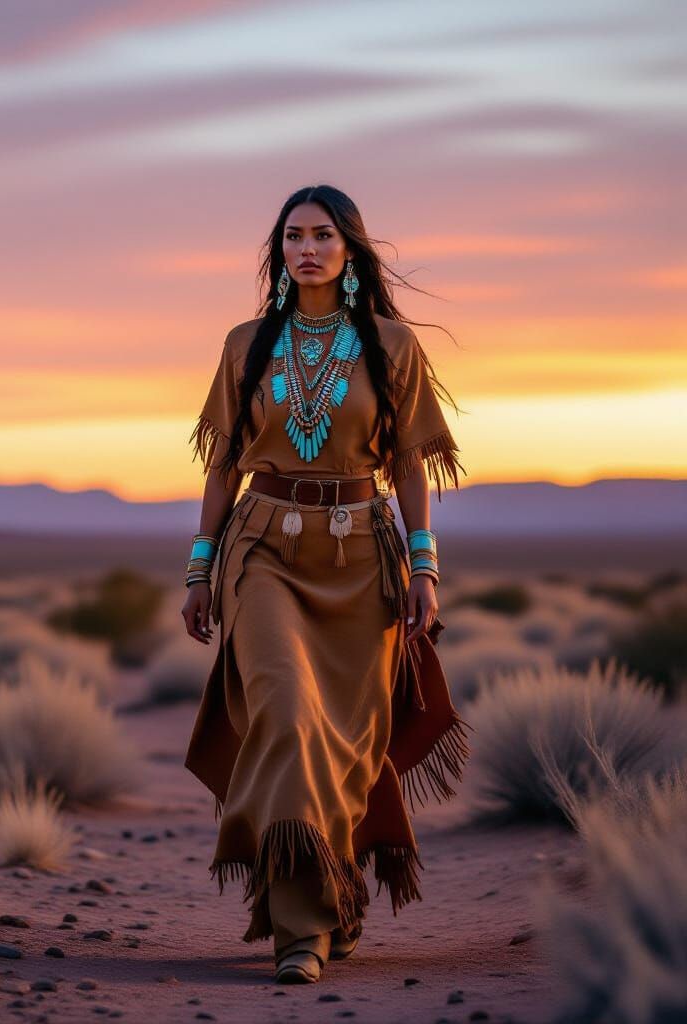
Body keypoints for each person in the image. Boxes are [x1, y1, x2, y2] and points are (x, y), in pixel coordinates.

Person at [181, 184, 473, 985]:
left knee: (348, 742)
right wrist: (201, 568)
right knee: (287, 713)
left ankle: (330, 896)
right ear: (280, 251)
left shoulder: (390, 344)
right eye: (292, 236)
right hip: (264, 549)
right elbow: (221, 465)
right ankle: (299, 929)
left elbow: (410, 464)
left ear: (350, 249)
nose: (305, 248)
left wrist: (425, 567)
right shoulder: (246, 344)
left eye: (322, 235)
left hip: (361, 559)